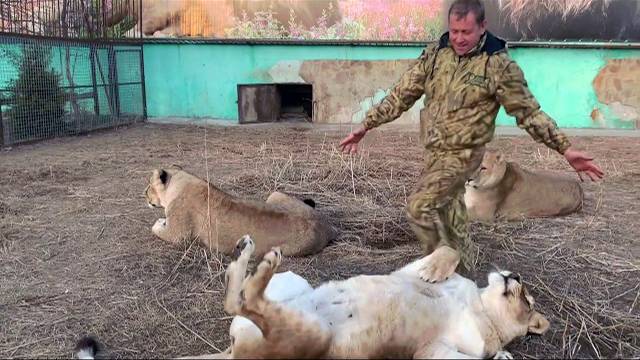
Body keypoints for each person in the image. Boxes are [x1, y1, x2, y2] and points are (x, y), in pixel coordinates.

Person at [338, 0, 604, 282]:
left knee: (421, 207)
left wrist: (565, 148)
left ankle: (441, 274)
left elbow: (528, 113)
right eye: (454, 31)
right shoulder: (437, 53)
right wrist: (366, 125)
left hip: (466, 155)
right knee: (451, 216)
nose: (459, 39)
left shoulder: (497, 64)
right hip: (435, 151)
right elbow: (402, 94)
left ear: (482, 28)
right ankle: (463, 278)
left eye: (466, 32)